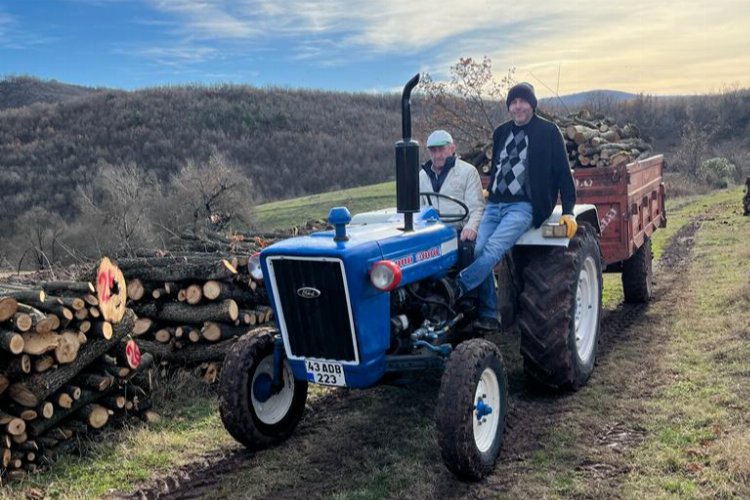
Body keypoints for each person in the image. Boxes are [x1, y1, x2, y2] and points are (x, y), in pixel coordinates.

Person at [443, 82, 578, 331]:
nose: (517, 107)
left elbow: (562, 173)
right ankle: (488, 312)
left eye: (522, 101)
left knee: (493, 249)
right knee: (474, 248)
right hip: (495, 204)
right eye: (513, 102)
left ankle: (457, 287)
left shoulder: (548, 132)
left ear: (532, 104)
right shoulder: (501, 132)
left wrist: (569, 211)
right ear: (509, 107)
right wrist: (491, 189)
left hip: (524, 207)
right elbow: (499, 167)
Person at [419, 130, 485, 243]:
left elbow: (477, 208)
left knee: (475, 250)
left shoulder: (468, 171)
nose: (437, 155)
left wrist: (471, 227)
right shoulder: (422, 175)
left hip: (458, 231)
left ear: (452, 148)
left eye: (441, 149)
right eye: (433, 151)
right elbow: (418, 209)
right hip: (431, 232)